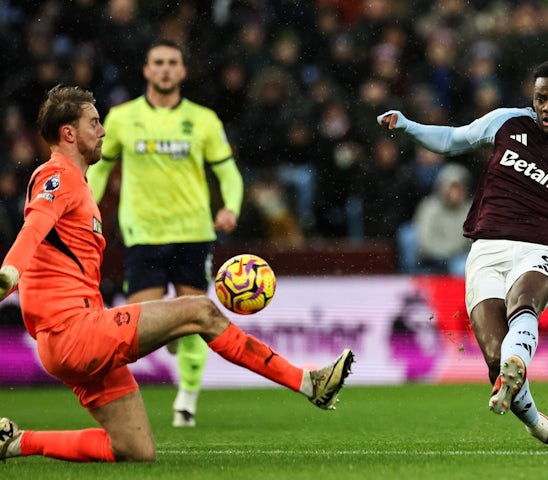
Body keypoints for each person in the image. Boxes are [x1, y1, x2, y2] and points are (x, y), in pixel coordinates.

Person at [0, 84, 354, 463]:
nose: (103, 131)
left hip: (71, 337)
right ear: (68, 133)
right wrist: (7, 274)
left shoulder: (77, 183)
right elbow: (33, 228)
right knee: (199, 311)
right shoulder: (58, 175)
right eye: (94, 122)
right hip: (74, 333)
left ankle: (14, 442)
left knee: (135, 450)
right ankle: (308, 382)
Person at [377, 60, 548, 447]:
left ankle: (517, 366)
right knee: (495, 358)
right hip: (485, 252)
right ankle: (541, 426)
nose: (546, 107)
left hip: (538, 254)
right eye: (540, 99)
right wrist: (409, 125)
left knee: (523, 302)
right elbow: (452, 140)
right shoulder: (507, 122)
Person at [86, 39, 245, 428]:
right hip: (143, 232)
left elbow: (227, 172)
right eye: (158, 62)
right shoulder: (122, 118)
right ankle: (169, 336)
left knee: (194, 315)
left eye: (173, 62)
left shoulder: (204, 120)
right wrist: (83, 204)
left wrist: (230, 207)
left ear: (183, 71)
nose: (166, 69)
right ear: (146, 69)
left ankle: (186, 403)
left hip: (193, 230)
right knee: (138, 325)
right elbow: (100, 169)